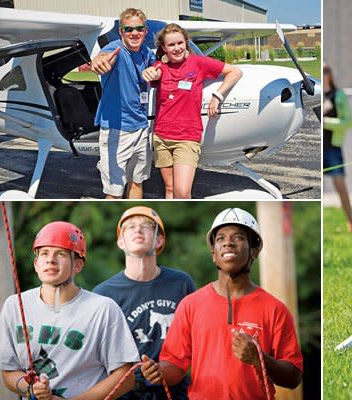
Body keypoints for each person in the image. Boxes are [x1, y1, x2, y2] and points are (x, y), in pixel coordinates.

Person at [139, 208, 303, 399]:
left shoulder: (275, 309)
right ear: (213, 254)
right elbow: (175, 365)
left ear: (254, 250)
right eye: (220, 239)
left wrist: (260, 360)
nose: (228, 243)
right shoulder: (190, 305)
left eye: (239, 237)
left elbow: (293, 378)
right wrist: (158, 372)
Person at [0, 221, 139, 399]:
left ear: (78, 265)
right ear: (36, 264)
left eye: (60, 253)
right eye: (44, 253)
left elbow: (125, 377)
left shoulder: (103, 309)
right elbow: (8, 372)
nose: (50, 259)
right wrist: (32, 388)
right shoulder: (15, 305)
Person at [93, 206, 196, 399]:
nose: (138, 230)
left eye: (147, 226)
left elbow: (196, 343)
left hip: (175, 391)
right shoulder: (103, 294)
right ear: (120, 241)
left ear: (159, 239)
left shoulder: (182, 284)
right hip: (126, 392)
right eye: (130, 226)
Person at [142, 24, 243, 199]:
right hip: (161, 137)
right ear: (164, 48)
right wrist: (149, 72)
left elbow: (235, 72)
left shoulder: (198, 63)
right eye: (171, 45)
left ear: (186, 43)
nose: (177, 48)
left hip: (187, 138)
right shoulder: (160, 66)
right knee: (170, 189)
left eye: (180, 43)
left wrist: (217, 95)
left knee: (182, 192)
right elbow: (154, 74)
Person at [92, 8, 155, 199]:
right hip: (117, 131)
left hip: (142, 128)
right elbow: (102, 59)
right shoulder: (114, 49)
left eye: (139, 28)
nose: (134, 33)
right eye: (128, 29)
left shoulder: (145, 52)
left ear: (145, 31)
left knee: (137, 182)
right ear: (121, 32)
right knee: (114, 192)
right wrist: (98, 62)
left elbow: (159, 62)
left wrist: (157, 69)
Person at [323, 62, 352, 232]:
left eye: (324, 73)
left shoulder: (338, 96)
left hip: (332, 148)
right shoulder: (312, 95)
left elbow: (348, 122)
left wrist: (326, 123)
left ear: (329, 75)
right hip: (316, 150)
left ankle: (351, 221)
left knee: (341, 187)